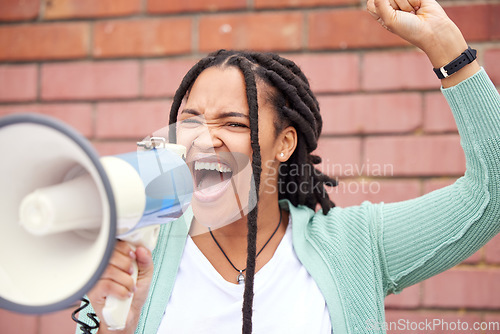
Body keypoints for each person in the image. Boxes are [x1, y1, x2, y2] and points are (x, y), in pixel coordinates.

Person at [77, 0, 500, 332]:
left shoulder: (356, 247)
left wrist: (446, 45)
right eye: (190, 120)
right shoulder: (138, 247)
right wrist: (116, 330)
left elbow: (491, 194)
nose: (204, 138)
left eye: (234, 122)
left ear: (284, 144)